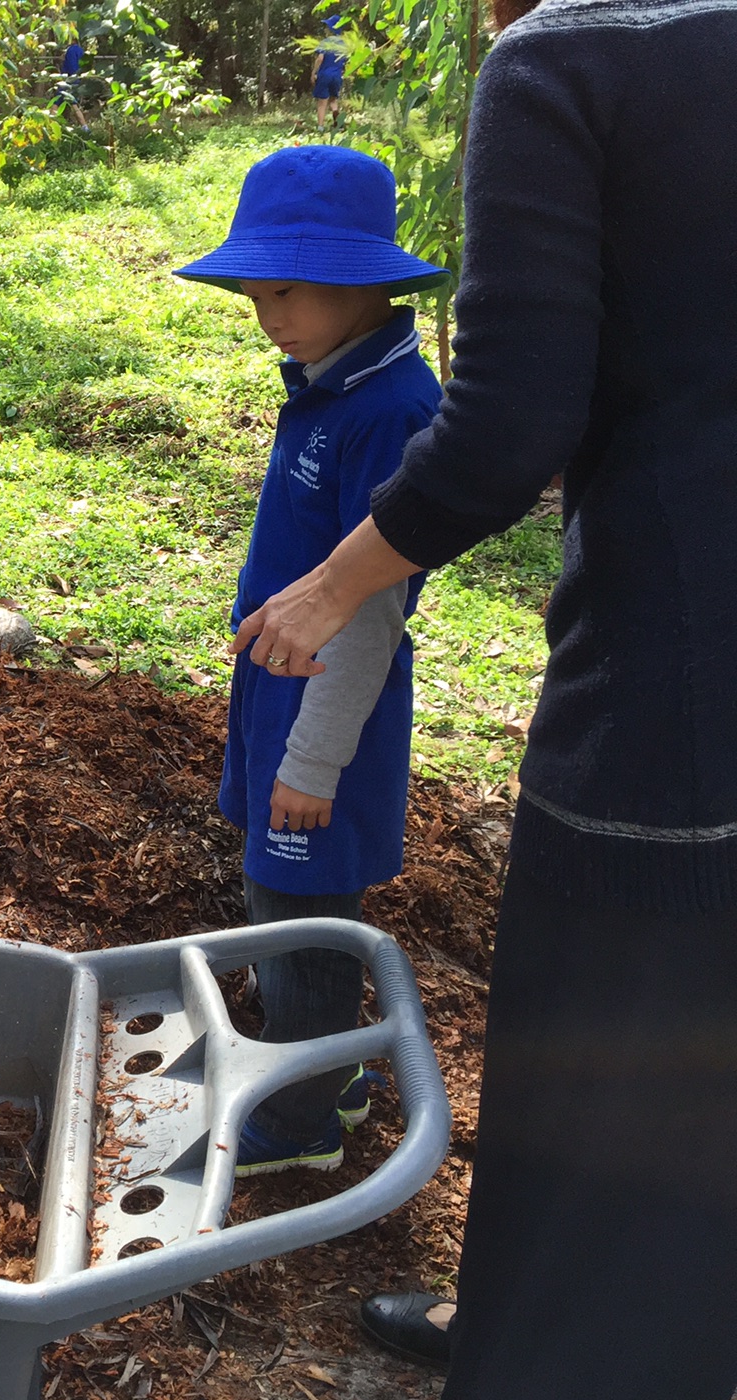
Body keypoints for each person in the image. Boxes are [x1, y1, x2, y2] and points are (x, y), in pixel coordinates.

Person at [233, 1, 737, 1400]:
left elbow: (511, 418)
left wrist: (330, 594)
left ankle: (558, 1385)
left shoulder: (580, 54)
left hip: (689, 637)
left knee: (613, 1002)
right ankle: (585, 1337)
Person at [173, 145, 446, 1175]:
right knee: (283, 888)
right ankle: (336, 1068)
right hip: (279, 684)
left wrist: (315, 760)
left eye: (288, 290)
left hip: (331, 703)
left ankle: (297, 1127)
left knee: (299, 908)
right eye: (255, 293)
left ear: (367, 281)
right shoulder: (334, 383)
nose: (268, 314)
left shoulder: (391, 413)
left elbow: (368, 610)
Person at [310, 15, 347, 130]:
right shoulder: (345, 44)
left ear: (331, 28)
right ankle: (339, 124)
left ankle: (320, 127)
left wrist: (313, 73)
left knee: (322, 102)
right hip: (337, 76)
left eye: (327, 26)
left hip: (324, 75)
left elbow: (320, 58)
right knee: (333, 100)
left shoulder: (326, 42)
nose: (325, 29)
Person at [55, 34, 91, 132]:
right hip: (77, 80)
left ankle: (85, 128)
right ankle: (85, 128)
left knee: (69, 105)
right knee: (60, 102)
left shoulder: (70, 51)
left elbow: (71, 67)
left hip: (69, 81)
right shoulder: (80, 50)